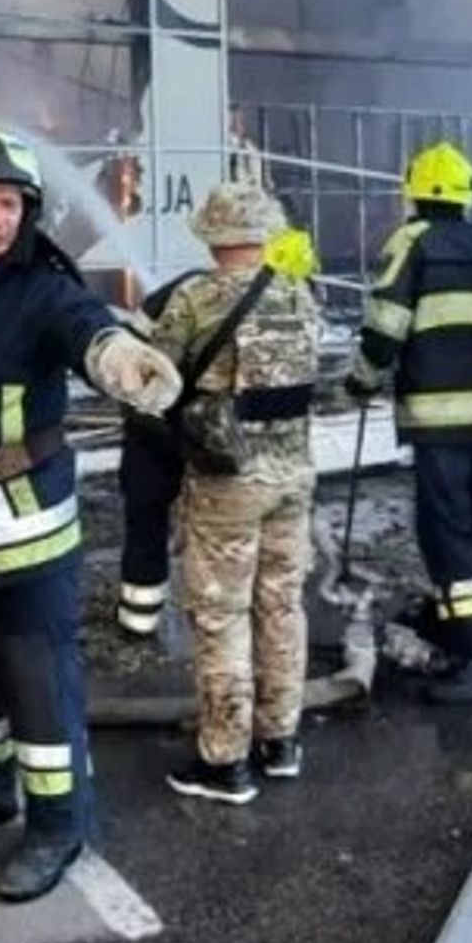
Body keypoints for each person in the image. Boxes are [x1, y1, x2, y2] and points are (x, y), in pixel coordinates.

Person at [0, 126, 182, 902]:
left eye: (10, 205)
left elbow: (87, 332)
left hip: (26, 540)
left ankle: (58, 825)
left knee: (38, 687)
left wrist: (124, 361)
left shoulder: (45, 289)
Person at [151, 185, 321, 804]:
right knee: (282, 605)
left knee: (221, 615)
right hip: (293, 476)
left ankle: (225, 761)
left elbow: (154, 377)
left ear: (210, 235)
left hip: (227, 483)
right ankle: (280, 741)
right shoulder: (299, 293)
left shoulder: (195, 298)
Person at [345, 142, 472, 704]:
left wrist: (361, 379)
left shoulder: (412, 243)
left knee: (444, 537)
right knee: (464, 527)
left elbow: (385, 324)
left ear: (414, 190)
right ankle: (449, 618)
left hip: (436, 417)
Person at [115, 269, 198, 637]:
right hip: (212, 433)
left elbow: (126, 350)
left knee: (146, 517)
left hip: (152, 424)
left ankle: (138, 618)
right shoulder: (274, 295)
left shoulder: (181, 285)